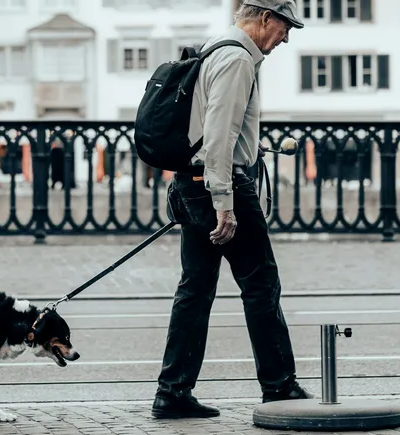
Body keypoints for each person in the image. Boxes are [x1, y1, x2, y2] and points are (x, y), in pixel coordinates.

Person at [151, 0, 311, 420]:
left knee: (195, 292)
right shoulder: (238, 58)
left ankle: (172, 391)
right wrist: (225, 203)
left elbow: (211, 128)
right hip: (220, 187)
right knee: (261, 285)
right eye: (285, 26)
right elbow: (218, 134)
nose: (286, 37)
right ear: (264, 18)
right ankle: (280, 386)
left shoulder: (212, 47)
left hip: (192, 182)